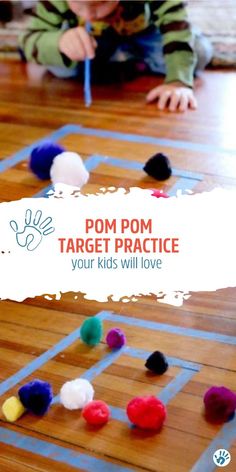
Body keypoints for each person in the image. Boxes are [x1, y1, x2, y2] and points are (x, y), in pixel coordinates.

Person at [20, 0, 213, 112]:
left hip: (146, 34)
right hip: (93, 41)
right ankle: (129, 60)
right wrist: (60, 42)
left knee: (198, 52)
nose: (88, 15)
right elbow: (27, 39)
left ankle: (126, 59)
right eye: (77, 4)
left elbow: (175, 26)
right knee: (59, 65)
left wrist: (178, 81)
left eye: (101, 3)